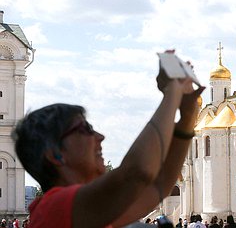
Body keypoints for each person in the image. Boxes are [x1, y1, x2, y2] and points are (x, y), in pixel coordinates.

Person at [12, 63, 204, 227]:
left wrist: (187, 117)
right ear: (55, 154)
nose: (100, 136)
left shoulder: (89, 210)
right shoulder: (53, 209)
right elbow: (136, 173)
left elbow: (159, 184)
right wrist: (172, 93)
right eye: (85, 128)